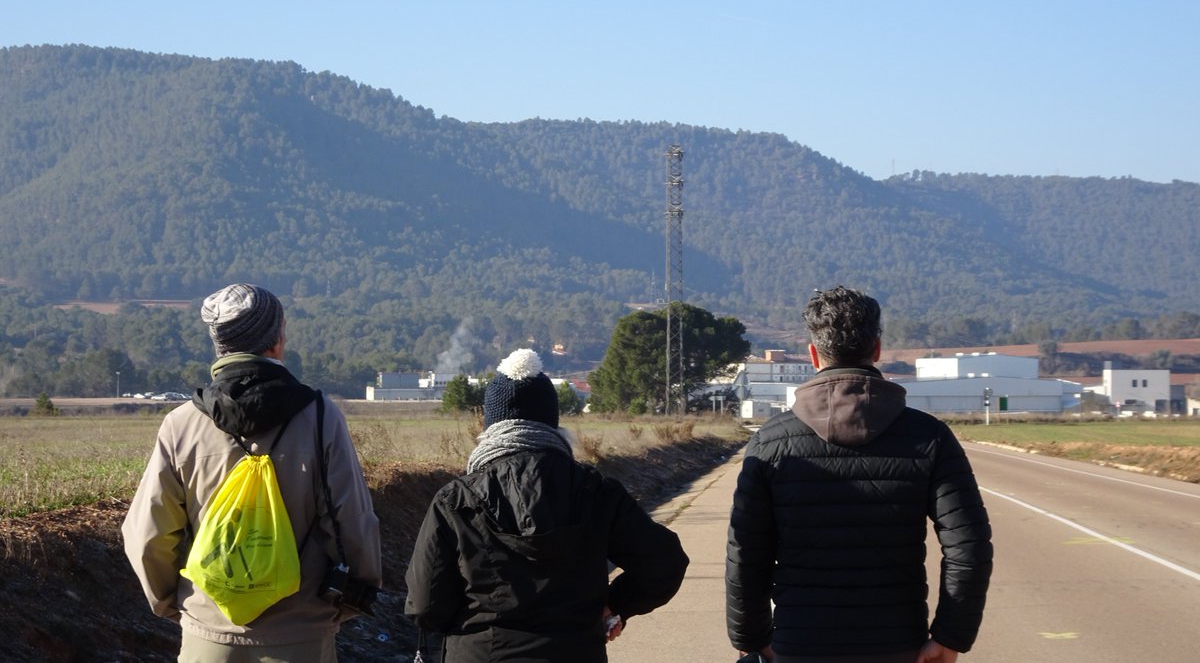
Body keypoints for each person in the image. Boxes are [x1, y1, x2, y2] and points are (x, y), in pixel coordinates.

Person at [726, 286, 993, 663]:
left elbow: (745, 555)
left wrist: (751, 638)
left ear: (814, 354)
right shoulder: (931, 437)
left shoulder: (769, 444)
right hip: (899, 646)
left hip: (799, 644)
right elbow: (969, 547)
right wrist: (950, 636)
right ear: (878, 350)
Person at [122, 283, 382, 662]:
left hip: (208, 633)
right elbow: (352, 524)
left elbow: (148, 534)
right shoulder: (320, 417)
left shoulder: (180, 425)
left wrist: (177, 604)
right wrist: (348, 601)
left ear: (219, 344)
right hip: (302, 633)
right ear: (276, 340)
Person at [405, 348, 689, 663]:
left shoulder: (457, 499)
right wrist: (616, 604)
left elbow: (425, 605)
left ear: (489, 427)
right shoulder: (596, 491)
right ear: (551, 423)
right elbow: (665, 562)